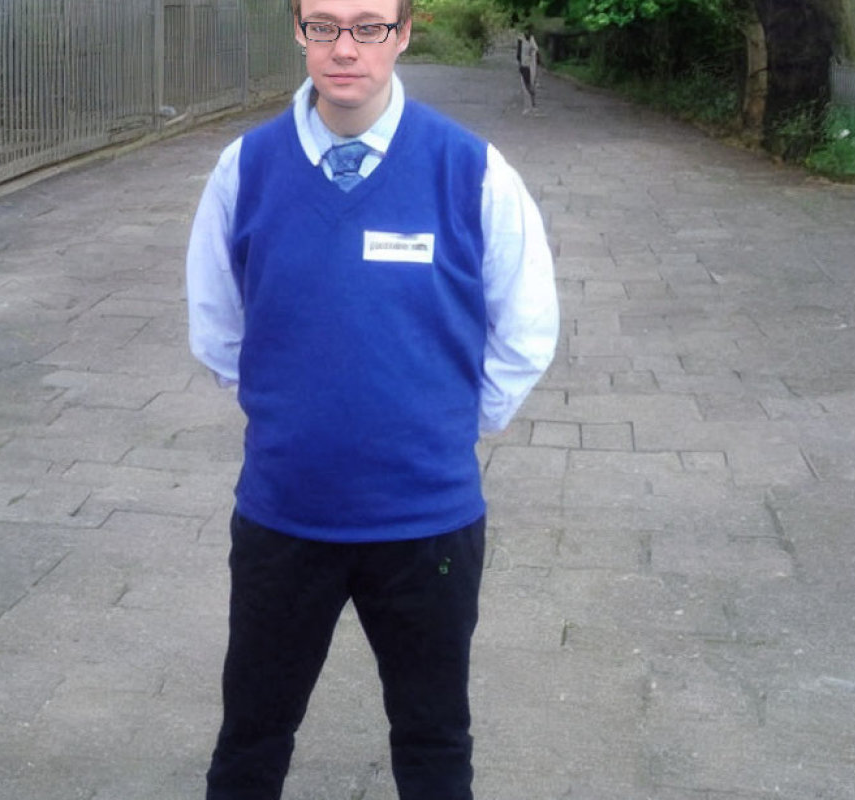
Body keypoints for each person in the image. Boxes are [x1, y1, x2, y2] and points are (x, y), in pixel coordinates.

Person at [185, 0, 559, 797]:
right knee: (251, 734)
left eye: (368, 25)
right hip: (285, 518)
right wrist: (298, 419)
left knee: (432, 741)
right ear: (297, 30)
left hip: (428, 525)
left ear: (405, 32)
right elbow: (218, 332)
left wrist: (440, 426)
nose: (344, 47)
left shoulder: (472, 170)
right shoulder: (243, 170)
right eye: (323, 25)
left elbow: (527, 331)